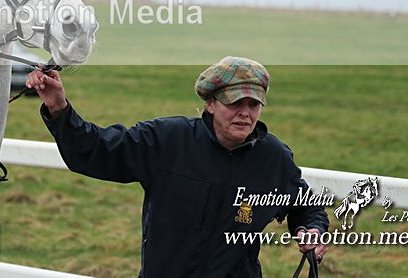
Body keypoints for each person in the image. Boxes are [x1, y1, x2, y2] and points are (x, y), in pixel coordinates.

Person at [27, 56, 329, 277]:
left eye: (253, 105)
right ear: (210, 103)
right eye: (234, 103)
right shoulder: (167, 140)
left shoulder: (272, 158)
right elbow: (96, 150)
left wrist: (312, 228)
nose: (245, 114)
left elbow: (304, 205)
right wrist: (58, 107)